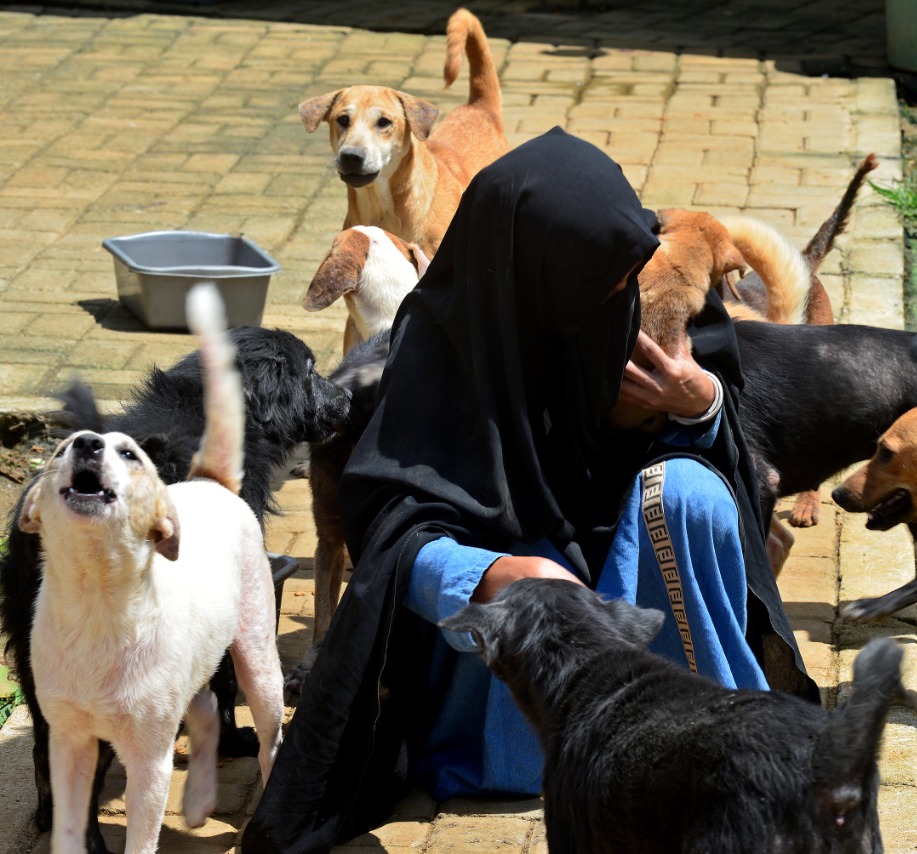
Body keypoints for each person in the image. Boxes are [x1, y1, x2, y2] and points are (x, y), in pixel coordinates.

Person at [243, 128, 816, 852]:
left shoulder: (652, 290)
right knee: (520, 564)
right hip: (515, 655)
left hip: (641, 604)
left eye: (621, 279)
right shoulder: (449, 344)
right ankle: (522, 754)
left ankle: (730, 730)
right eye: (593, 284)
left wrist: (698, 402)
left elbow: (737, 469)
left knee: (686, 496)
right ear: (532, 275)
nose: (616, 301)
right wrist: (493, 575)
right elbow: (391, 532)